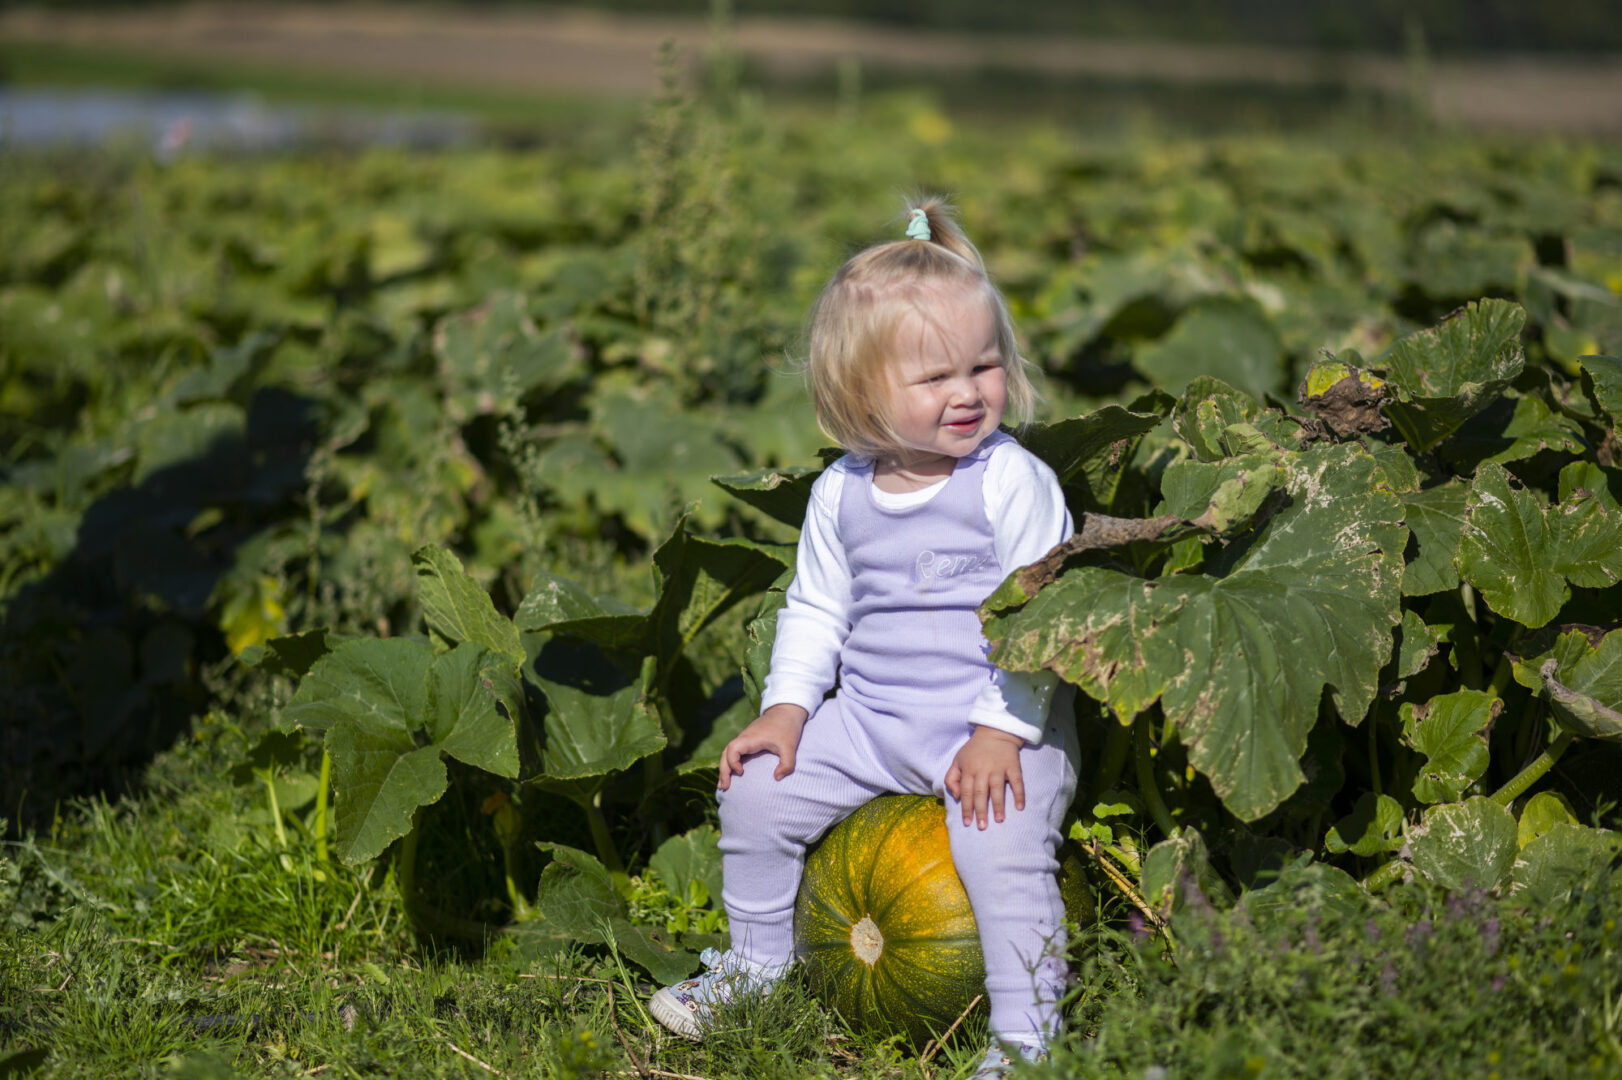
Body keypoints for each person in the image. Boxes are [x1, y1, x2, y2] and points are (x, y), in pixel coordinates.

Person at [649, 199, 1079, 1078]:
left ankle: (1028, 1040)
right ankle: (757, 966)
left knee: (1001, 852)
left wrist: (1001, 732)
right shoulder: (840, 494)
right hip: (876, 718)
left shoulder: (1012, 481)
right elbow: (815, 610)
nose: (968, 393)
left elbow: (1047, 619)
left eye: (985, 367)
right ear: (861, 392)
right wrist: (786, 711)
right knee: (756, 795)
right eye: (936, 378)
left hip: (1000, 722)